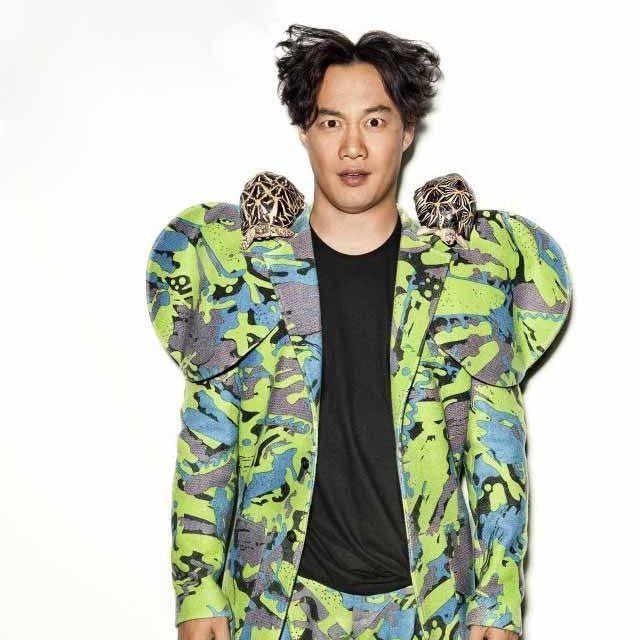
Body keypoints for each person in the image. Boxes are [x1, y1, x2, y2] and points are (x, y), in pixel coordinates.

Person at [145, 24, 572, 640]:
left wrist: (498, 598)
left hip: (429, 612)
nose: (352, 147)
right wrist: (197, 590)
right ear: (304, 132)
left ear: (406, 131)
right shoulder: (247, 275)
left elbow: (496, 449)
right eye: (330, 122)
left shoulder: (464, 277)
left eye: (374, 121)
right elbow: (207, 441)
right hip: (277, 610)